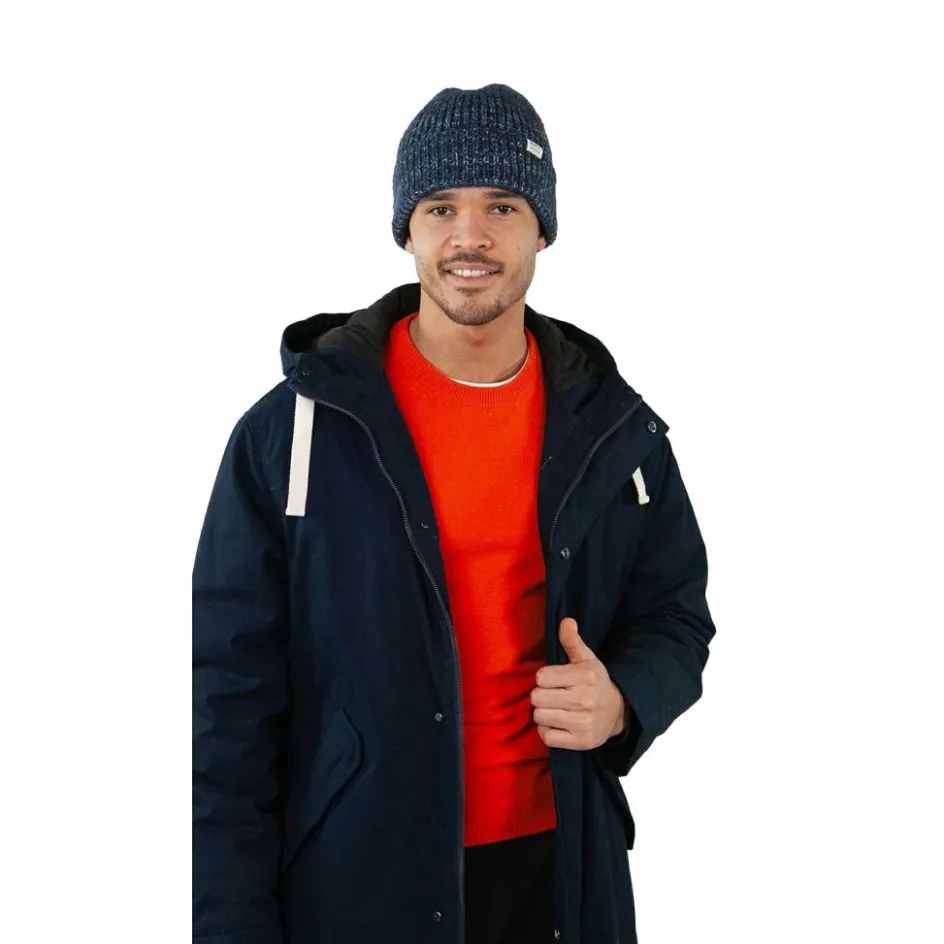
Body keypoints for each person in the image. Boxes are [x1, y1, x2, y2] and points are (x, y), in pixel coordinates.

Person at [193, 83, 716, 944]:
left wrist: (624, 698)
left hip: (562, 874)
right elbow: (225, 707)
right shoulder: (294, 432)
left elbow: (676, 612)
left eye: (502, 206)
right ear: (407, 230)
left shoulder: (611, 427)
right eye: (441, 207)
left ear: (542, 229)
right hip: (358, 881)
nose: (470, 236)